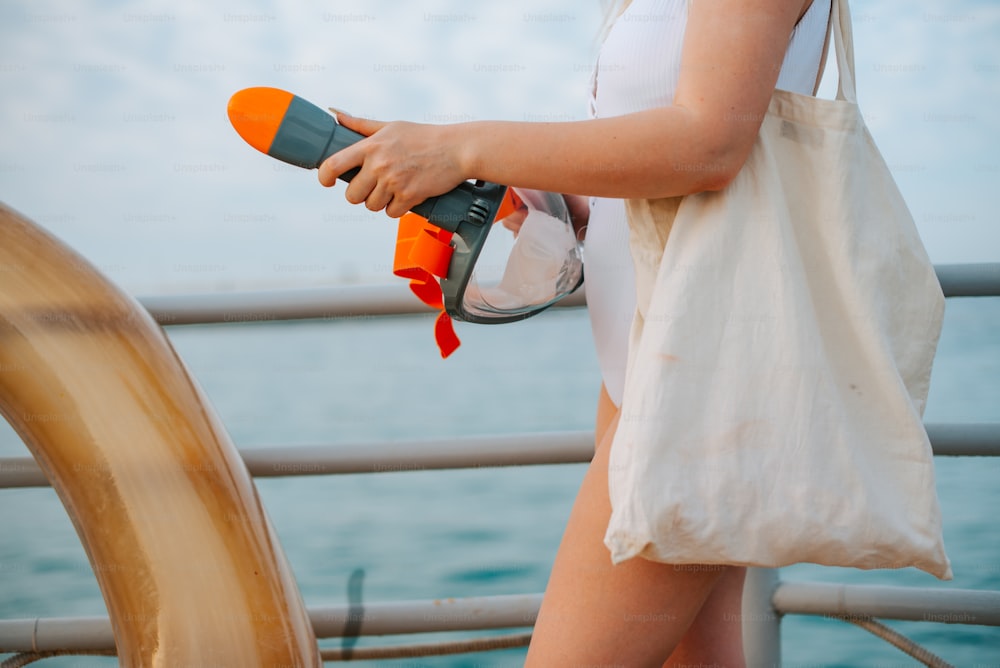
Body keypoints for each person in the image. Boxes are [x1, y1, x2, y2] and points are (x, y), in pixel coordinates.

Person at [318, 0, 832, 664]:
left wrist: (458, 146)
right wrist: (530, 194)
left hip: (706, 370)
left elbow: (710, 143)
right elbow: (659, 175)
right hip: (648, 355)